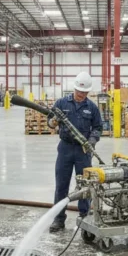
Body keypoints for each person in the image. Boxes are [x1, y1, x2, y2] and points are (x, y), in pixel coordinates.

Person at [48, 71, 103, 233]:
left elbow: (98, 127)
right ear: (74, 88)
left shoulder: (92, 107)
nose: (81, 95)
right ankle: (59, 219)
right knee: (61, 185)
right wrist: (53, 122)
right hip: (65, 148)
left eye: (84, 93)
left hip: (83, 151)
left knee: (85, 186)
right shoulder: (61, 103)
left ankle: (85, 217)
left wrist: (92, 141)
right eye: (79, 91)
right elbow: (49, 122)